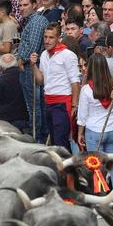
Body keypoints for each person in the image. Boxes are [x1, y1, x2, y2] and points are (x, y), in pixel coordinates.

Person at [31, 22, 80, 150]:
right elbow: (40, 81)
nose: (47, 41)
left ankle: (66, 168)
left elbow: (75, 82)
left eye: (51, 37)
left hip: (63, 103)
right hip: (48, 102)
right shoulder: (44, 54)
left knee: (60, 142)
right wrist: (33, 65)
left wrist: (74, 106)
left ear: (58, 38)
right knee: (54, 141)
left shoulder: (68, 55)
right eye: (45, 37)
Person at [78, 53, 113, 194]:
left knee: (96, 167)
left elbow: (82, 115)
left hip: (93, 132)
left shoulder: (86, 90)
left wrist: (79, 133)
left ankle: (103, 200)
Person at [16, 0, 49, 140]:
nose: (22, 8)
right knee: (37, 104)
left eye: (25, 5)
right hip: (31, 67)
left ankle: (37, 137)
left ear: (34, 5)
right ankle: (39, 135)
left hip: (31, 67)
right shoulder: (31, 21)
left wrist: (21, 61)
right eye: (20, 5)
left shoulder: (36, 21)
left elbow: (33, 47)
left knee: (34, 105)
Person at [0, 53, 27, 130]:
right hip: (21, 116)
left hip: (3, 117)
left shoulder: (0, 80)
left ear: (1, 68)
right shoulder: (24, 76)